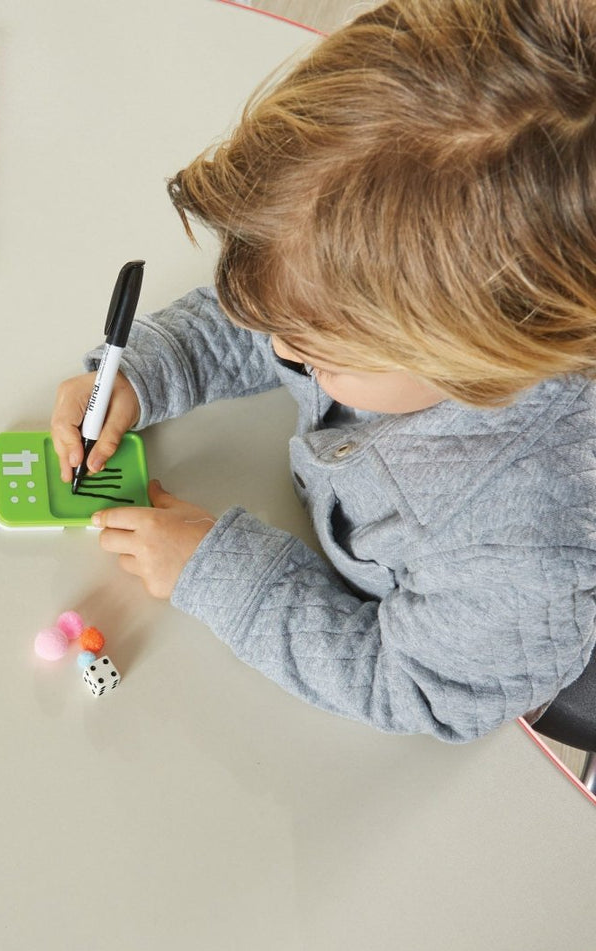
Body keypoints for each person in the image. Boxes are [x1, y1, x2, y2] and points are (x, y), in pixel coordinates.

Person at [49, 0, 596, 742]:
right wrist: (153, 367)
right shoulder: (372, 310)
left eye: (316, 348)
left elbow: (415, 691)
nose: (276, 346)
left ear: (480, 369)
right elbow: (283, 300)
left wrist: (224, 573)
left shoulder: (522, 553)